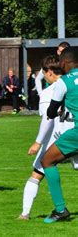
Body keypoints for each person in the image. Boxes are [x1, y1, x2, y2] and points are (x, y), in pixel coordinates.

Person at [18, 55, 74, 220]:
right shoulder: (72, 84)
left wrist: (37, 142)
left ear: (49, 72)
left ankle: (25, 214)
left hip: (56, 139)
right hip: (75, 133)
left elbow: (47, 120)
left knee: (37, 173)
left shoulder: (50, 92)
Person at [40, 47, 78, 223]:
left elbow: (51, 111)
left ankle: (61, 210)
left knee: (47, 161)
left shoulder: (64, 82)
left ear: (63, 63)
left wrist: (56, 109)